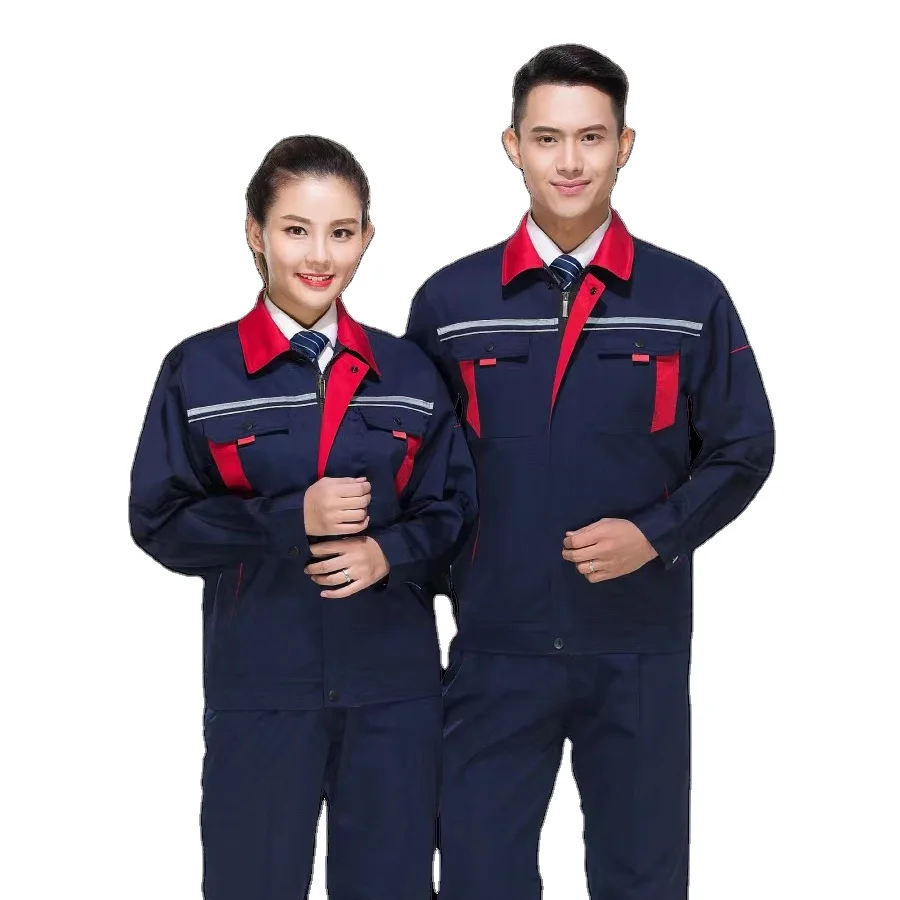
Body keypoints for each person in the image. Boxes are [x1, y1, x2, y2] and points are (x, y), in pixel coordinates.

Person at [405, 45, 774, 899]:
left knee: (642, 878)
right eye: (547, 138)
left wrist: (656, 534)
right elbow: (416, 473)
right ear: (513, 146)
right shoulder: (451, 304)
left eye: (591, 137)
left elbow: (744, 445)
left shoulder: (689, 297)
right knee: (477, 876)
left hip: (636, 646)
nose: (569, 162)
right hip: (495, 648)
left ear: (624, 145)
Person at [129, 135, 477, 900]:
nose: (320, 255)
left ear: (367, 237)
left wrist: (387, 552)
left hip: (394, 692)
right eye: (296, 229)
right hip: (262, 688)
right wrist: (291, 516)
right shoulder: (200, 370)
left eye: (341, 232)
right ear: (255, 232)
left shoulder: (409, 371)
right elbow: (160, 520)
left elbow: (454, 509)